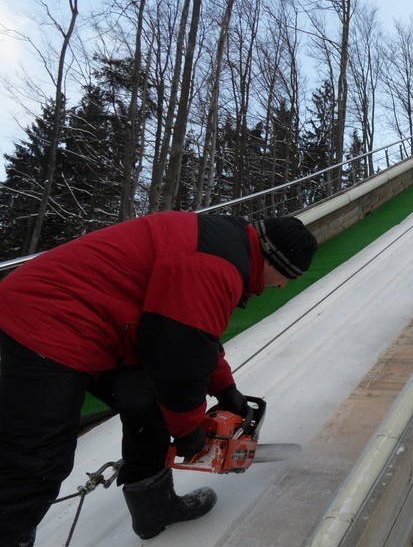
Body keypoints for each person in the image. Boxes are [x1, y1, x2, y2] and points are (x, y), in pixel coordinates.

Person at [0, 212, 318, 546]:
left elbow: (193, 333)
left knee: (147, 402)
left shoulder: (225, 248)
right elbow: (178, 352)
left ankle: (155, 508)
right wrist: (187, 429)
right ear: (275, 260)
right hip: (48, 317)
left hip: (99, 326)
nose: (281, 286)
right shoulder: (217, 265)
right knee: (37, 458)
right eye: (285, 277)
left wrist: (225, 387)